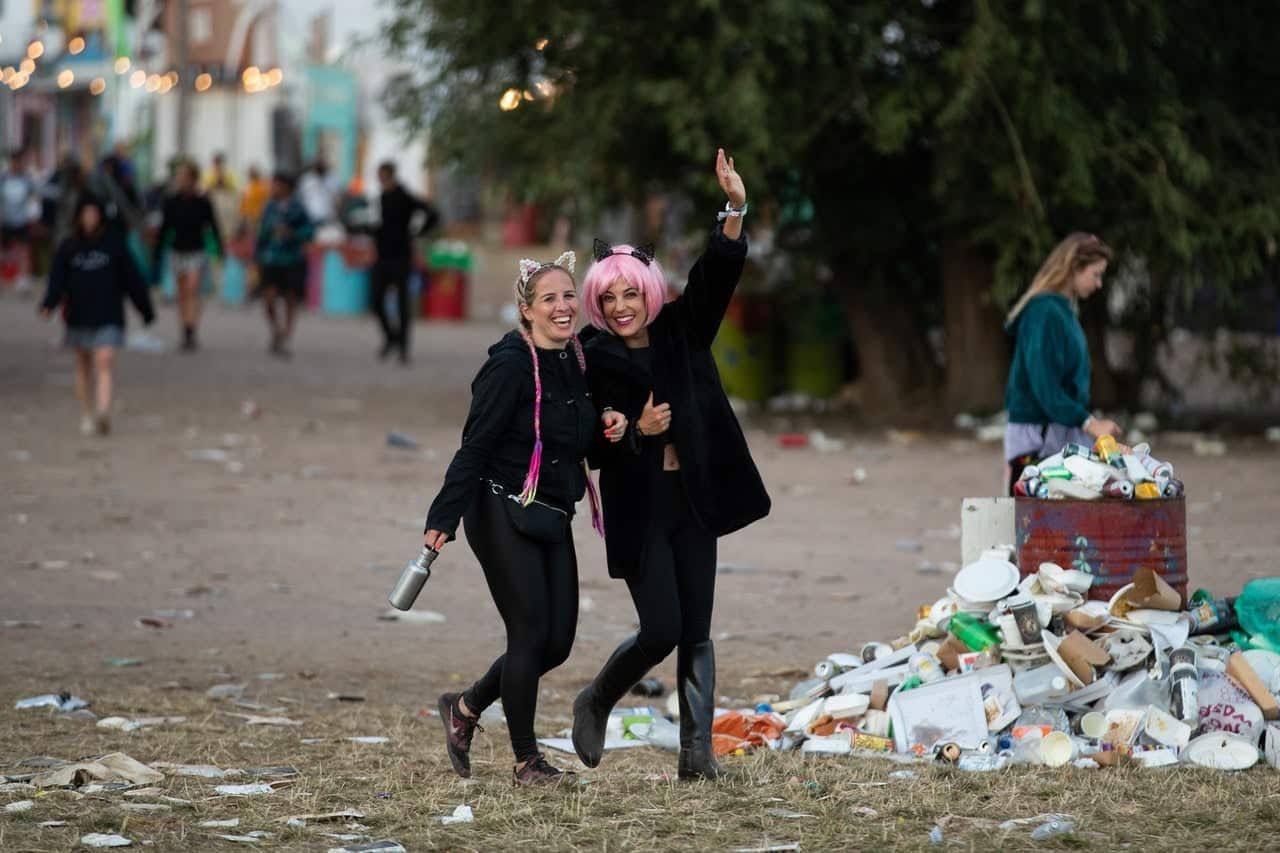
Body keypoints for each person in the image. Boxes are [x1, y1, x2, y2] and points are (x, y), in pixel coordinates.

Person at [571, 149, 771, 781]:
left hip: (695, 499)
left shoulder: (684, 330)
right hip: (640, 506)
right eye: (612, 295)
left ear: (650, 292)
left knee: (699, 628)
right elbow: (593, 447)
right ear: (598, 301)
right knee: (660, 627)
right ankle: (596, 698)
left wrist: (734, 209)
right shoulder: (594, 357)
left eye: (633, 292)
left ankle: (696, 754)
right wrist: (635, 431)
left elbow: (718, 273)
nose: (624, 304)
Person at [424, 251, 628, 787]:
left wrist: (607, 426)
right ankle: (526, 761)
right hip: (496, 507)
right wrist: (443, 517)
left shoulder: (576, 360)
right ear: (526, 309)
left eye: (568, 297)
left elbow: (573, 444)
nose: (562, 308)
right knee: (529, 633)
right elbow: (474, 447)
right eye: (549, 300)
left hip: (551, 510)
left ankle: (465, 708)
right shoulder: (508, 366)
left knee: (556, 642)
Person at [1003, 232, 1122, 494]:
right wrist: (1090, 423)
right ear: (1074, 268)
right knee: (1030, 524)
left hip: (1057, 435)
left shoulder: (1061, 310)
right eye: (1096, 274)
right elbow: (1044, 386)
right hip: (1039, 439)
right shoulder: (1044, 311)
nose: (1099, 283)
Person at [38, 196, 154, 436]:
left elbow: (132, 279)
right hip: (78, 315)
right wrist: (48, 304)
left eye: (94, 214)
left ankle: (103, 411)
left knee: (104, 360)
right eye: (86, 214)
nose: (90, 219)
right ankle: (87, 413)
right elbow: (57, 281)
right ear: (79, 217)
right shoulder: (69, 246)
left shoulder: (115, 245)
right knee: (83, 366)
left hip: (109, 314)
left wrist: (145, 309)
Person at [371, 161, 440, 363]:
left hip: (401, 256)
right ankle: (391, 337)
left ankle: (403, 347)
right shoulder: (381, 196)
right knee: (376, 300)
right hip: (382, 255)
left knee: (402, 304)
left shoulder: (404, 196)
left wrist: (418, 232)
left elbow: (432, 213)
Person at [154, 161, 223, 352]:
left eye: (185, 176)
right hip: (178, 251)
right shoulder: (171, 201)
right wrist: (157, 253)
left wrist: (219, 250)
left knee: (193, 289)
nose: (181, 180)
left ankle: (192, 327)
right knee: (183, 293)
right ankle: (186, 328)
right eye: (180, 177)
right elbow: (164, 228)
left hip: (197, 251)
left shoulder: (202, 202)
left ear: (193, 178)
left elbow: (213, 226)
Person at [254, 172, 313, 358]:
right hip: (271, 259)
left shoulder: (298, 208)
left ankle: (286, 335)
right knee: (268, 298)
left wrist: (293, 233)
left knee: (290, 298)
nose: (273, 188)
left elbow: (309, 230)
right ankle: (276, 330)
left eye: (276, 185)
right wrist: (258, 255)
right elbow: (262, 233)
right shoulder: (269, 208)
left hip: (292, 259)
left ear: (287, 187)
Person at [1, 150, 38, 293]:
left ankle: (22, 281)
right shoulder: (3, 179)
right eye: (15, 162)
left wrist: (33, 216)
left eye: (19, 162)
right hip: (6, 221)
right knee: (3, 251)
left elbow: (34, 197)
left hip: (22, 221)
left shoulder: (27, 180)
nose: (17, 165)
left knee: (24, 251)